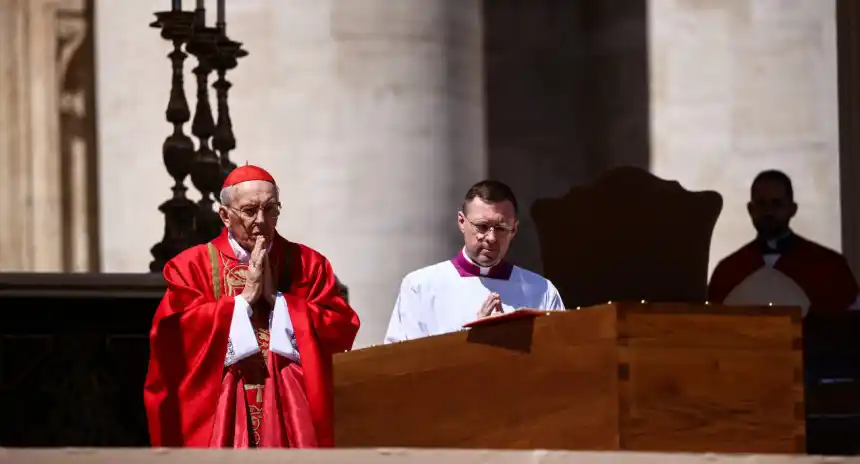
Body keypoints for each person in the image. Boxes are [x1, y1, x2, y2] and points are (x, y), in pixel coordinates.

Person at [144, 165, 360, 448]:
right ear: (224, 216)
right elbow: (173, 337)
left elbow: (340, 327)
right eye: (249, 211)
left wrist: (280, 303)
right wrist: (242, 302)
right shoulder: (190, 267)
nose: (261, 220)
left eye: (271, 210)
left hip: (290, 413)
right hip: (224, 413)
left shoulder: (308, 264)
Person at [384, 180, 565, 343]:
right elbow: (401, 362)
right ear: (462, 222)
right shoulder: (420, 286)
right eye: (482, 227)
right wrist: (470, 339)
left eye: (501, 228)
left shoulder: (541, 291)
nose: (491, 238)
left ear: (514, 230)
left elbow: (559, 358)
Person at [708, 169, 859, 315]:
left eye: (777, 203)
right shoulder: (727, 271)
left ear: (792, 209)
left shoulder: (830, 266)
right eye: (761, 204)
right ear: (750, 209)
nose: (768, 212)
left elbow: (850, 329)